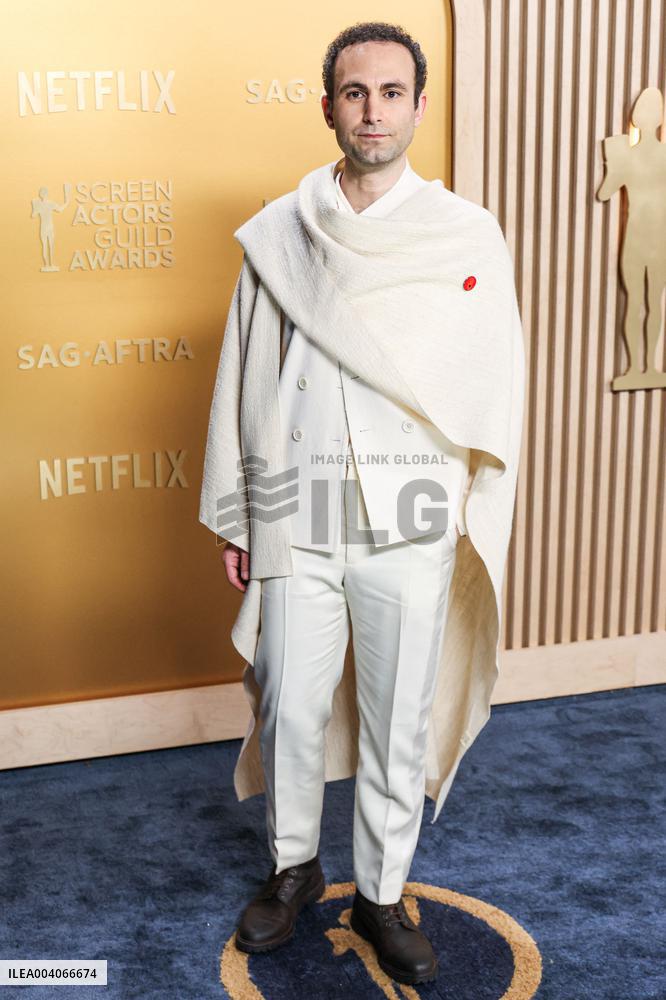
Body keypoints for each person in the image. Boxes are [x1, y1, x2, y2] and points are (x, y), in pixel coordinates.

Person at [199, 21, 525, 989]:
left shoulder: (464, 234)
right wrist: (241, 513)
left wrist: (466, 497)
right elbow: (245, 374)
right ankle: (294, 865)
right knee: (290, 705)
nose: (373, 110)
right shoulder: (280, 230)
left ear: (419, 106)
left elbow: (492, 376)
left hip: (412, 506)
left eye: (392, 92)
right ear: (329, 103)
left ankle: (382, 891)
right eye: (355, 92)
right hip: (299, 500)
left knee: (395, 714)